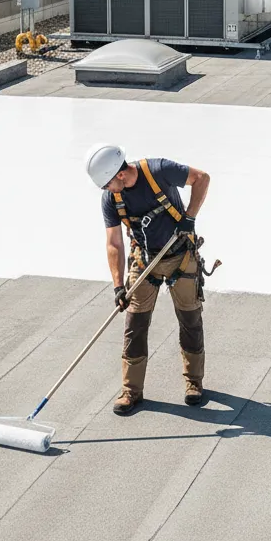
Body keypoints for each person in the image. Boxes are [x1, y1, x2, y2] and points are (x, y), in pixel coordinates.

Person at [85, 144, 211, 415]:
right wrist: (118, 285)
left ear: (119, 175)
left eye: (107, 184)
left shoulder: (159, 170)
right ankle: (131, 391)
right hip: (144, 261)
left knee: (190, 319)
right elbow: (114, 243)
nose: (106, 191)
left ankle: (194, 383)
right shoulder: (111, 199)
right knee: (135, 324)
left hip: (180, 254)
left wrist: (189, 217)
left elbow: (202, 178)